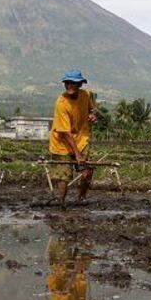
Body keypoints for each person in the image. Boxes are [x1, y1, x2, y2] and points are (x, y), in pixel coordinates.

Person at [48, 69, 97, 208]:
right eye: (67, 83)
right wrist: (77, 154)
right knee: (64, 175)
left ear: (80, 84)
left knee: (87, 171)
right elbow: (65, 133)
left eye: (73, 83)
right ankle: (61, 202)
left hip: (81, 139)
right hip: (61, 143)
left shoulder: (86, 95)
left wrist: (92, 115)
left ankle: (81, 199)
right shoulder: (61, 103)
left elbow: (90, 109)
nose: (69, 86)